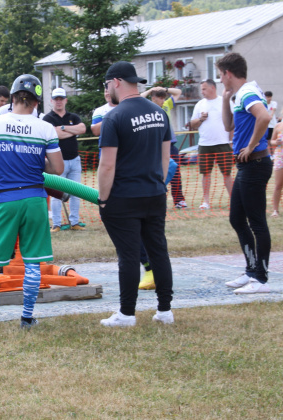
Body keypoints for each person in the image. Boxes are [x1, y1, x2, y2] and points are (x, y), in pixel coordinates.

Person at [0, 74, 64, 331]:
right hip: (34, 199)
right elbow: (57, 168)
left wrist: (1, 160)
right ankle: (26, 318)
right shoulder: (45, 128)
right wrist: (32, 161)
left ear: (12, 98)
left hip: (4, 200)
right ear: (36, 103)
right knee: (32, 262)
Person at [98, 62, 174, 327]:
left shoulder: (115, 117)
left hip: (124, 196)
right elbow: (166, 158)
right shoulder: (159, 112)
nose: (107, 90)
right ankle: (165, 311)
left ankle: (127, 314)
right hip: (154, 192)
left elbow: (107, 165)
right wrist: (159, 185)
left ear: (116, 82)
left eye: (107, 85)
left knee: (128, 255)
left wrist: (103, 199)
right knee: (158, 251)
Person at [218, 52, 273, 294]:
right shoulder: (240, 94)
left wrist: (251, 146)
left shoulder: (248, 92)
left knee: (257, 222)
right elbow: (228, 126)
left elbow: (265, 116)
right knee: (237, 219)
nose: (220, 80)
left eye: (221, 75)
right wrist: (225, 99)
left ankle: (260, 278)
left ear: (228, 74)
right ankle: (251, 270)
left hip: (255, 163)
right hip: (246, 165)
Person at [42, 87, 87, 232]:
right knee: (57, 194)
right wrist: (70, 130)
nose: (59, 102)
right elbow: (55, 135)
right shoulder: (47, 118)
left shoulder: (73, 116)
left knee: (76, 192)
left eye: (61, 99)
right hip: (56, 162)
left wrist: (62, 128)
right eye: (56, 99)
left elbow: (82, 129)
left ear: (65, 100)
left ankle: (74, 222)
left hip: (74, 160)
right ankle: (57, 224)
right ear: (51, 101)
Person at [189, 79, 234, 209]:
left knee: (227, 173)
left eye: (204, 89)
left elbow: (233, 122)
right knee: (205, 173)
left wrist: (231, 141)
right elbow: (192, 124)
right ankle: (206, 202)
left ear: (213, 88)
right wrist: (200, 119)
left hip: (223, 143)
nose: (201, 91)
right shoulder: (200, 104)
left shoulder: (225, 102)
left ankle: (233, 200)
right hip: (204, 144)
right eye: (201, 89)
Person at [141, 85, 186, 208]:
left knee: (175, 172)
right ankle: (158, 198)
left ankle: (179, 200)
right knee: (157, 173)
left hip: (170, 144)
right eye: (159, 98)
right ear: (153, 98)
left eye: (163, 97)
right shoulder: (147, 107)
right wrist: (150, 90)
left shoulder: (166, 105)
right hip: (156, 146)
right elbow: (140, 97)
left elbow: (178, 92)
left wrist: (165, 89)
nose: (162, 100)